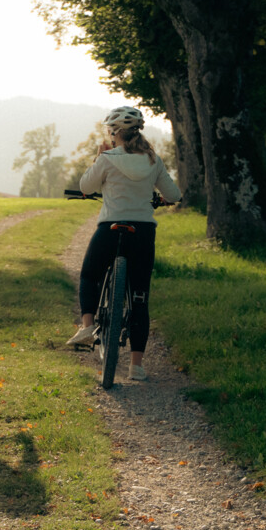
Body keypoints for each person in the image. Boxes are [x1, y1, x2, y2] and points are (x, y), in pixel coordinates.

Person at [66, 106, 182, 381]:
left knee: (89, 274)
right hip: (142, 231)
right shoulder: (154, 159)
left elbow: (86, 187)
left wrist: (97, 159)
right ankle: (137, 367)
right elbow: (174, 194)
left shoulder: (107, 158)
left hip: (111, 227)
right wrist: (161, 199)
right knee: (140, 295)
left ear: (113, 133)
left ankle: (87, 326)